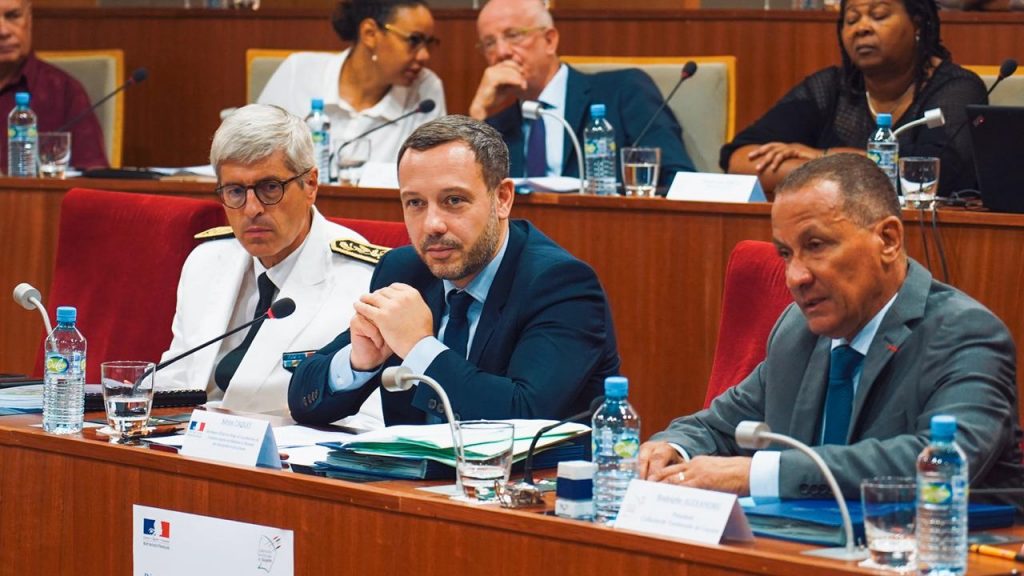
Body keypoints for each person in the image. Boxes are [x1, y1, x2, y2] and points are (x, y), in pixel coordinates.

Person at [638, 154, 1023, 511]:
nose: (795, 277)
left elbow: (939, 461)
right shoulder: (798, 331)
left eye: (816, 245)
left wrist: (759, 474)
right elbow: (718, 426)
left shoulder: (965, 333)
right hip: (799, 547)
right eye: (786, 254)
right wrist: (674, 449)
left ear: (888, 240)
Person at [288, 115, 621, 426]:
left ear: (502, 198)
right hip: (411, 470)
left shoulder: (560, 284)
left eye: (454, 201)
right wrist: (358, 361)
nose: (432, 224)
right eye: (415, 203)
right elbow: (303, 400)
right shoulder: (404, 270)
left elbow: (524, 415)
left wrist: (419, 347)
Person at [159, 104, 382, 427]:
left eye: (269, 188)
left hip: (286, 451)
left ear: (310, 185)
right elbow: (177, 378)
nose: (251, 209)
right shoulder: (206, 262)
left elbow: (369, 419)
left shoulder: (361, 280)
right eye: (235, 191)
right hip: (192, 442)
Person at [721, 0, 985, 195]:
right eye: (851, 20)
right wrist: (863, 169)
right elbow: (740, 161)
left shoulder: (957, 89)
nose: (862, 28)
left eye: (878, 15)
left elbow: (933, 177)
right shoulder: (830, 88)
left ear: (917, 23)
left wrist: (823, 157)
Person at [468, 0, 694, 189]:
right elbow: (465, 195)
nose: (501, 52)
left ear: (549, 40)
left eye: (513, 35)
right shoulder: (493, 128)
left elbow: (679, 180)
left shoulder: (624, 91)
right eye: (489, 43)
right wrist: (478, 111)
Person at [258, 0, 446, 167]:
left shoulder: (425, 91)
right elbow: (252, 151)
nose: (424, 55)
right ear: (370, 33)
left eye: (429, 43)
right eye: (414, 40)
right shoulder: (298, 71)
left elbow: (429, 175)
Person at [0, 0, 107, 172]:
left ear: (29, 19)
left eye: (13, 16)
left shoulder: (64, 91)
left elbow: (93, 174)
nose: (3, 31)